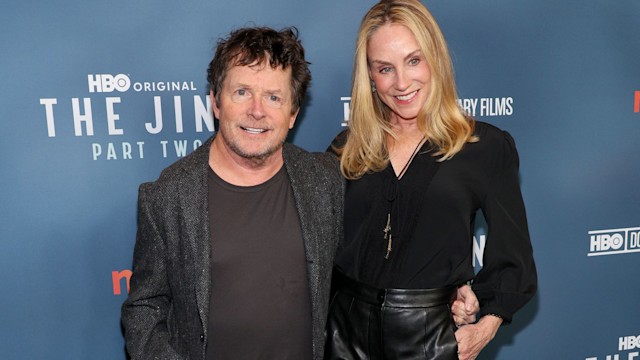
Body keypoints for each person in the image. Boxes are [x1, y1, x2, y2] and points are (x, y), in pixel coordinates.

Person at [121, 25, 478, 360]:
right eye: (241, 92)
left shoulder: (325, 179)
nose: (256, 111)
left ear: (293, 113)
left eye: (274, 97)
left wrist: (445, 292)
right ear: (216, 101)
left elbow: (370, 264)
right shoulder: (168, 196)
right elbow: (145, 308)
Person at [325, 1, 537, 360]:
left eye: (413, 60)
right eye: (385, 68)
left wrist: (484, 326)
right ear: (370, 77)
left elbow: (512, 256)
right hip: (344, 332)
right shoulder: (347, 150)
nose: (402, 82)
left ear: (435, 59)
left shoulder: (483, 147)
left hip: (430, 336)